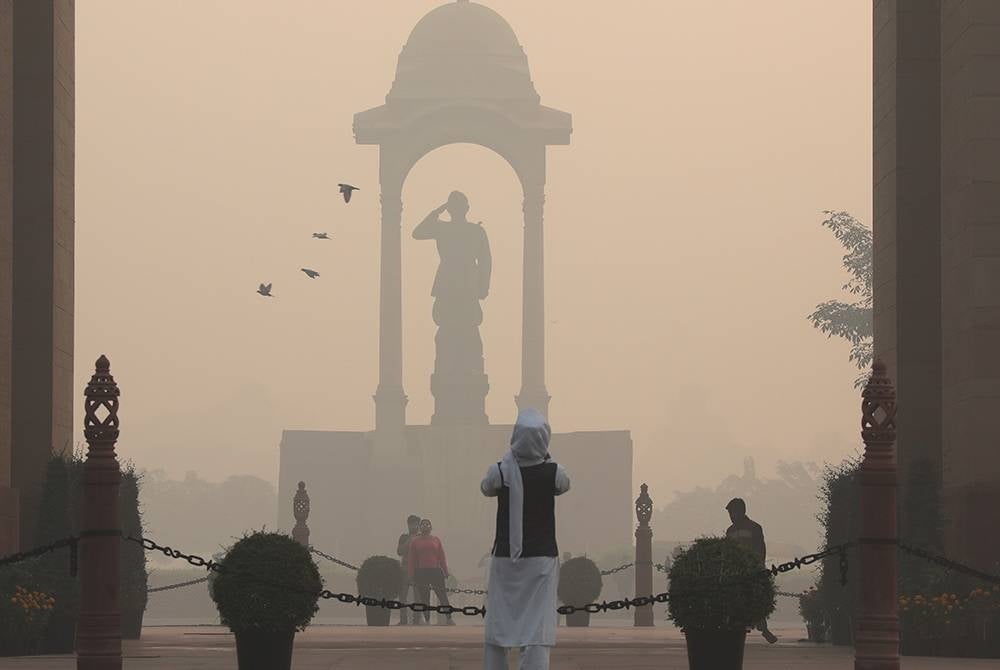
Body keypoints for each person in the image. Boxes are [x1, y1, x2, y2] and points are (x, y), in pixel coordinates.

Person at [480, 408, 571, 670]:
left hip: (506, 559)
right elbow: (564, 484)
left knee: (498, 625)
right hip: (541, 560)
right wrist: (543, 458)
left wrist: (512, 459)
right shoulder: (554, 472)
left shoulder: (500, 471)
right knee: (536, 629)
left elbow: (486, 487)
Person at [725, 497, 778, 644]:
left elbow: (761, 549)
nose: (730, 516)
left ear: (740, 511)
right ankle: (737, 630)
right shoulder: (730, 531)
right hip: (736, 571)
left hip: (752, 570)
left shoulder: (754, 528)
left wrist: (759, 566)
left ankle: (764, 629)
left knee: (755, 601)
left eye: (732, 512)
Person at [407, 518, 455, 625]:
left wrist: (445, 572)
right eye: (423, 524)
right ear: (420, 527)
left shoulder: (436, 540)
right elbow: (411, 559)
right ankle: (427, 619)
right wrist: (411, 574)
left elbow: (442, 557)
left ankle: (449, 618)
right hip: (421, 572)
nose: (425, 526)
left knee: (442, 595)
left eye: (427, 524)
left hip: (435, 571)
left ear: (431, 527)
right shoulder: (415, 541)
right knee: (425, 597)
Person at [396, 514, 421, 625]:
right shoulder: (404, 537)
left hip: (418, 569)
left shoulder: (423, 537)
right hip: (405, 568)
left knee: (418, 596)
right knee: (402, 596)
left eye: (416, 524)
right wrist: (410, 540)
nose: (414, 526)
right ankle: (403, 619)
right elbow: (400, 551)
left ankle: (417, 620)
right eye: (412, 524)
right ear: (408, 525)